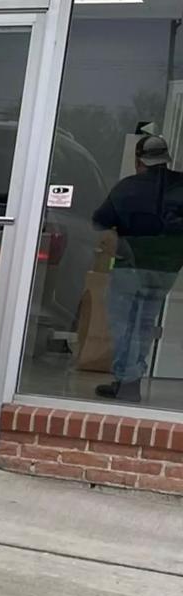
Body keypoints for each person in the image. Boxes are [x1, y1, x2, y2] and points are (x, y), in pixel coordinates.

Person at [92, 132, 183, 403]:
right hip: (166, 269)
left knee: (124, 324)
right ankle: (132, 377)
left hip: (130, 266)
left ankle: (126, 382)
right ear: (165, 159)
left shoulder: (128, 187)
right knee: (144, 324)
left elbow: (100, 220)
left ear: (138, 159)